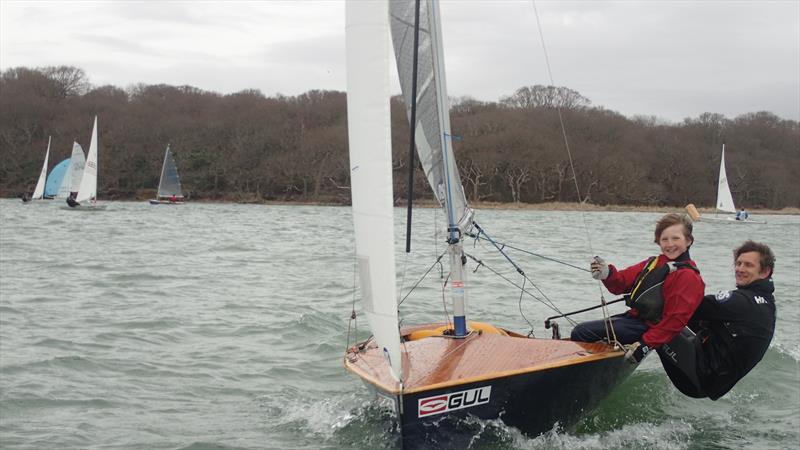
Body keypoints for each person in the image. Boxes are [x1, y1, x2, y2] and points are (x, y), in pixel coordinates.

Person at [570, 213, 706, 364]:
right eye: (664, 239)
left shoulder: (688, 277)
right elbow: (621, 282)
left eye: (675, 238)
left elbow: (675, 320)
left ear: (688, 241)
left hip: (650, 329)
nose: (669, 244)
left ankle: (590, 379)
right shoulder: (654, 263)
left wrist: (645, 345)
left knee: (581, 332)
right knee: (584, 331)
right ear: (658, 242)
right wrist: (606, 273)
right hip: (633, 320)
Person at [658, 240, 776, 400]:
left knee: (655, 318)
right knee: (670, 319)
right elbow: (692, 317)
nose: (739, 269)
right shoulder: (766, 303)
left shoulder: (742, 302)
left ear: (765, 272)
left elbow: (689, 307)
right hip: (704, 364)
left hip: (697, 376)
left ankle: (619, 346)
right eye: (738, 263)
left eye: (748, 265)